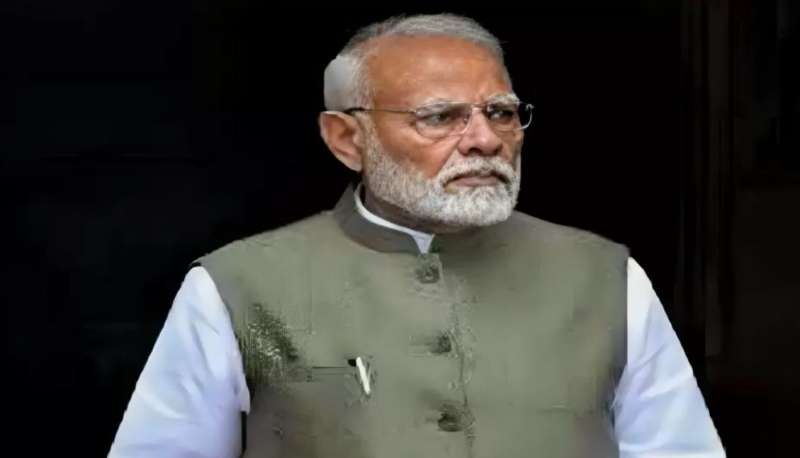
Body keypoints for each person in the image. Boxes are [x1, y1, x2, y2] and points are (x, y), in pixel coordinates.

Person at [109, 13, 725, 458]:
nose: (485, 140)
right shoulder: (239, 287)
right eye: (440, 117)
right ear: (347, 139)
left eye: (501, 113)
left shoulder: (604, 278)